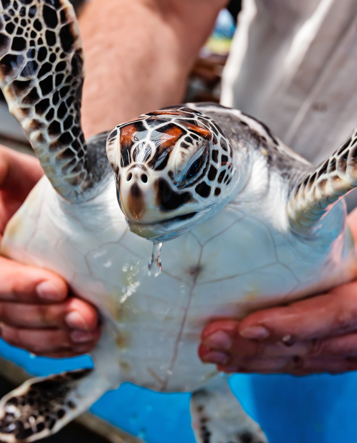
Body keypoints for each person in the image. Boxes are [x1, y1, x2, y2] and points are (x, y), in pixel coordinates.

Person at [1, 0, 357, 375]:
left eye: (188, 170)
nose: (140, 201)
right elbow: (159, 8)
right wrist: (86, 200)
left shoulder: (302, 199)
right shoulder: (125, 180)